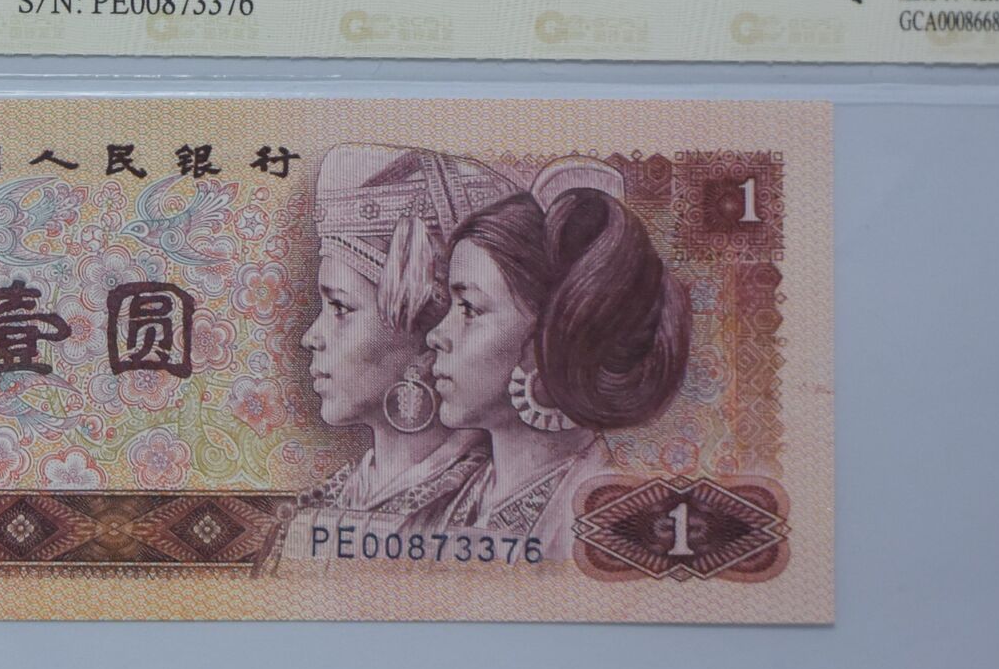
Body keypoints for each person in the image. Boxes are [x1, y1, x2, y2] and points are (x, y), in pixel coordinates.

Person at [419, 156, 691, 560]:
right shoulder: (443, 500)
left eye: (470, 309)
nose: (436, 335)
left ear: (551, 336)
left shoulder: (608, 520)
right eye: (449, 307)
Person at [281, 144, 516, 562]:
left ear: (427, 337)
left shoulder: (492, 509)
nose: (311, 337)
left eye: (340, 308)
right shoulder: (329, 501)